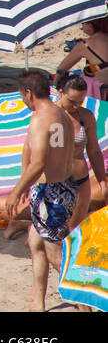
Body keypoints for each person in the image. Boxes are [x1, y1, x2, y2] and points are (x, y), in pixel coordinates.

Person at [6, 70, 79, 310]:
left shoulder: (40, 119)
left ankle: (87, 304)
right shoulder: (60, 113)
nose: (24, 101)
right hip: (64, 186)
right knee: (35, 243)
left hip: (52, 194)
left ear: (28, 93)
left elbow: (38, 162)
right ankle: (38, 303)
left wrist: (17, 190)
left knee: (55, 255)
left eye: (22, 96)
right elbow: (55, 151)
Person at [54, 72, 108, 228]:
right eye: (71, 101)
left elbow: (94, 152)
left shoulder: (85, 116)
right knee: (53, 230)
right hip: (53, 183)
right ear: (60, 92)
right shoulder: (48, 116)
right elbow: (32, 152)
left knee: (74, 228)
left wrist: (102, 183)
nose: (76, 106)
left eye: (80, 101)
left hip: (81, 181)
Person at [56, 17, 108, 94]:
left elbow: (61, 70)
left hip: (101, 94)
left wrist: (55, 85)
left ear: (90, 25)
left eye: (83, 23)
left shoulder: (85, 45)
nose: (82, 26)